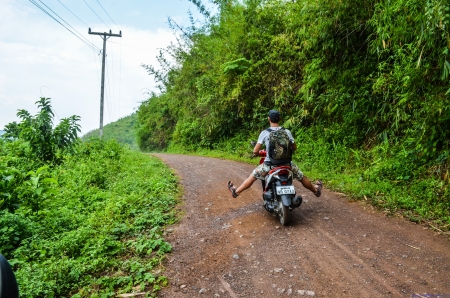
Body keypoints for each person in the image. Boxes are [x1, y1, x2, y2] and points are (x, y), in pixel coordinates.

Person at [227, 109, 322, 198]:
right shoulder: (286, 131)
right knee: (301, 177)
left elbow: (255, 151)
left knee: (252, 176)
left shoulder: (265, 132)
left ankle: (237, 192)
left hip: (270, 165)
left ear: (269, 119)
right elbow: (294, 147)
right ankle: (315, 191)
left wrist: (257, 153)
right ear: (279, 119)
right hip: (287, 164)